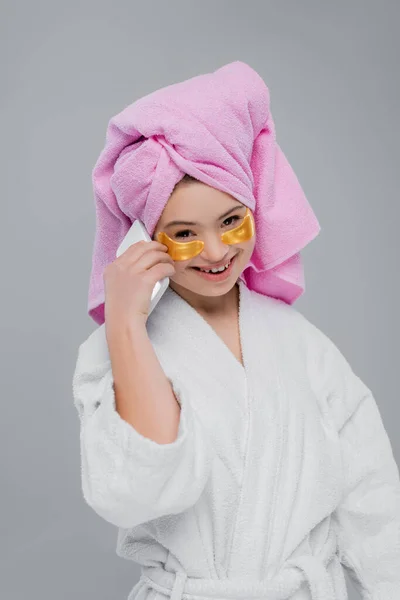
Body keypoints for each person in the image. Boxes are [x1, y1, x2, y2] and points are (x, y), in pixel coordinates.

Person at [72, 62, 400, 600]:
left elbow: (374, 504)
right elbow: (137, 493)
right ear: (145, 239)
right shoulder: (111, 352)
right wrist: (126, 324)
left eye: (231, 221)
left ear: (255, 209)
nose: (219, 252)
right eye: (183, 234)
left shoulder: (305, 346)